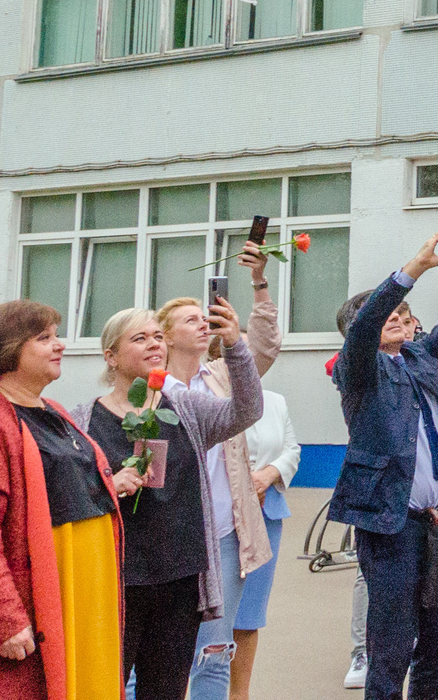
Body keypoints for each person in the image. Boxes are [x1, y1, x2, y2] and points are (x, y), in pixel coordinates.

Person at [332, 230, 438, 700]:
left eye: (406, 315)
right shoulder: (357, 368)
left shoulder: (420, 358)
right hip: (389, 525)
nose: (402, 319)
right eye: (391, 315)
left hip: (434, 521)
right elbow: (365, 328)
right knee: (391, 649)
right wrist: (414, 269)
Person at [0, 299, 128, 700]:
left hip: (86, 586)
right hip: (44, 592)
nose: (59, 345)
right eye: (44, 338)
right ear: (8, 349)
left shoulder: (55, 410)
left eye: (56, 335)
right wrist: (5, 618)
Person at [83, 294, 263, 700]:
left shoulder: (185, 407)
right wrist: (111, 487)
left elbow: (247, 410)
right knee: (107, 685)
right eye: (139, 338)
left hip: (179, 575)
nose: (153, 344)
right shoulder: (83, 419)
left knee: (165, 690)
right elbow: (74, 496)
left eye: (157, 337)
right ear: (110, 356)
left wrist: (234, 346)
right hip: (119, 578)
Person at [182, 245, 282, 700]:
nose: (204, 323)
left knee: (215, 653)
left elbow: (263, 349)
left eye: (205, 319)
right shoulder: (147, 385)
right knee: (151, 660)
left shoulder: (223, 375)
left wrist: (259, 283)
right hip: (168, 536)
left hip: (224, 531)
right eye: (191, 320)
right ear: (161, 336)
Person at [225, 383, 297, 700]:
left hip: (266, 514)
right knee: (208, 618)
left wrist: (267, 476)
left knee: (248, 615)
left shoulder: (275, 400)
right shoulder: (204, 397)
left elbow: (291, 450)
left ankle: (240, 694)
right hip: (221, 513)